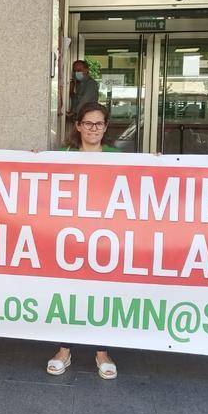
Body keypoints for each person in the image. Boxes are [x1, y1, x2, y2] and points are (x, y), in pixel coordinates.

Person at [46, 101, 119, 379]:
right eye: (88, 123)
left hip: (103, 238)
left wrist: (157, 162)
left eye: (99, 123)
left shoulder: (117, 156)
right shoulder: (62, 155)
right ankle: (64, 350)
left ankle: (102, 351)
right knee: (69, 293)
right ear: (77, 126)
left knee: (101, 294)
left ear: (106, 127)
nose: (93, 129)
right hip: (70, 237)